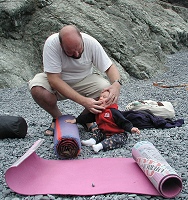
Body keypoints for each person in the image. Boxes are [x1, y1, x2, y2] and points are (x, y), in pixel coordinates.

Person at [28, 25, 122, 136]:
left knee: (106, 91)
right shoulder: (51, 44)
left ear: (82, 39)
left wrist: (116, 84)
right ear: (61, 45)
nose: (76, 54)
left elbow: (109, 67)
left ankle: (86, 119)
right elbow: (54, 80)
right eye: (70, 52)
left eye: (79, 49)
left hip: (84, 79)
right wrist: (83, 101)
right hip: (57, 80)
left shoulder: (91, 42)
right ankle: (59, 119)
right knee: (37, 88)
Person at [65, 90, 140, 153]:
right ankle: (92, 140)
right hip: (104, 132)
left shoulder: (113, 112)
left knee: (118, 139)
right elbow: (88, 118)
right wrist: (76, 120)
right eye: (100, 97)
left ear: (111, 101)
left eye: (104, 97)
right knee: (97, 131)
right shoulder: (98, 111)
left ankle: (100, 146)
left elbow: (123, 122)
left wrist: (131, 128)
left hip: (117, 133)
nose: (101, 98)